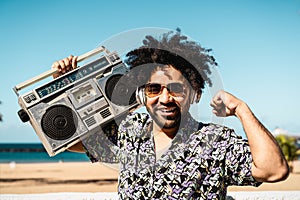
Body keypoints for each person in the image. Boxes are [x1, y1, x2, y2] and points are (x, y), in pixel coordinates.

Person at [52, 30, 289, 199]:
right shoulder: (129, 132)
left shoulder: (216, 141)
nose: (165, 99)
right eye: (154, 89)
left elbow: (273, 169)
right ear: (142, 94)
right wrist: (66, 85)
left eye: (176, 89)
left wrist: (241, 109)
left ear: (195, 93)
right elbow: (69, 141)